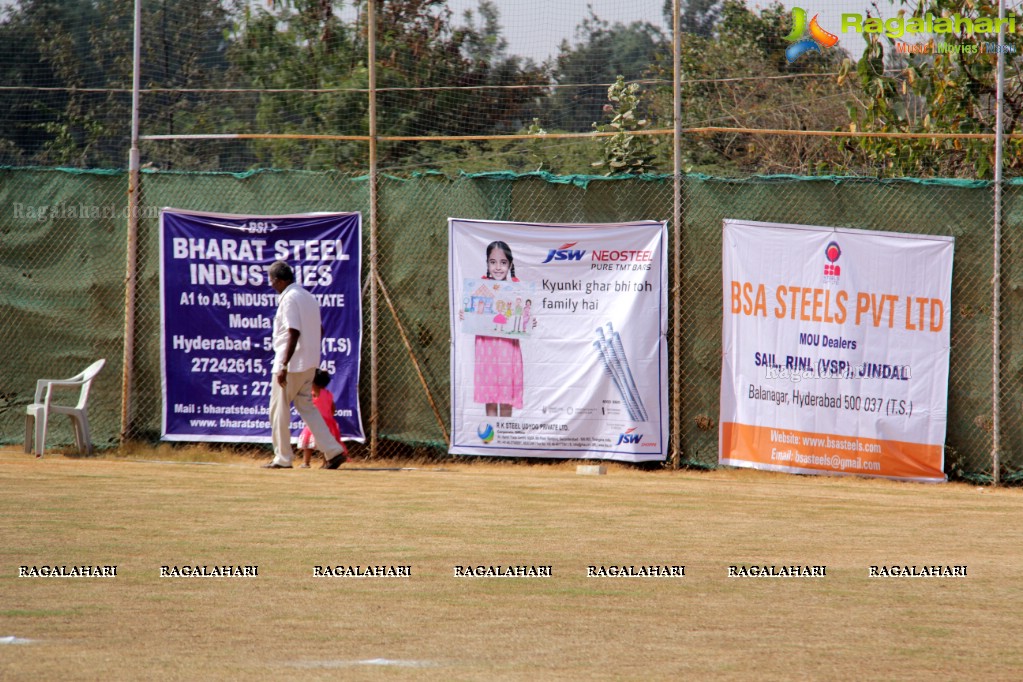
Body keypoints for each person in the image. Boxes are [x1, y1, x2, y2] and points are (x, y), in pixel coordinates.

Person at [263, 260, 347, 470]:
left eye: (272, 279)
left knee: (278, 410)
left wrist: (283, 365)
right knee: (307, 407)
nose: (271, 284)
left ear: (281, 280)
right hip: (309, 363)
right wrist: (312, 354)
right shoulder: (308, 296)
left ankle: (282, 458)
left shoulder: (290, 298)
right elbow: (320, 330)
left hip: (291, 365)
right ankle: (334, 451)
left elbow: (293, 332)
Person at [474, 241, 525, 417]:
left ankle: (504, 439)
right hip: (486, 349)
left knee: (506, 397)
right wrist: (465, 315)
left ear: (510, 265)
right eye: (493, 262)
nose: (498, 267)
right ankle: (491, 439)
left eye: (503, 262)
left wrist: (528, 321)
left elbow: (522, 315)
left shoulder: (517, 290)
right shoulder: (480, 288)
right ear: (487, 263)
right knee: (490, 397)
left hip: (507, 348)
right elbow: (475, 314)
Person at [297, 369, 347, 468]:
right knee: (326, 444)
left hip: (316, 422)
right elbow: (332, 408)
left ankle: (306, 462)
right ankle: (326, 463)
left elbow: (314, 386)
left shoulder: (316, 392)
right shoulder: (328, 394)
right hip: (328, 422)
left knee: (308, 446)